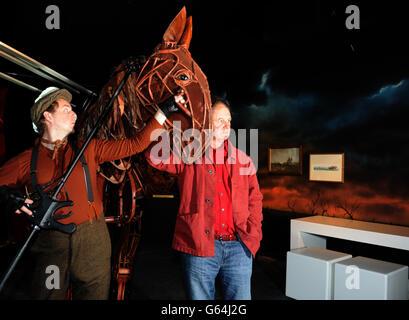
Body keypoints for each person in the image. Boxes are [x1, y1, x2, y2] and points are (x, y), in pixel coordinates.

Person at [0, 86, 179, 299]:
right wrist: (9, 196)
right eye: (66, 109)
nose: (74, 114)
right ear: (47, 116)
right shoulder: (25, 160)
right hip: (52, 249)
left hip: (92, 243)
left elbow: (136, 144)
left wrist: (164, 111)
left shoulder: (89, 148)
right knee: (49, 294)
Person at [145, 96, 263, 300]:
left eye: (229, 121)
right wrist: (169, 117)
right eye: (220, 120)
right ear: (207, 122)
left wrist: (253, 233)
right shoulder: (188, 153)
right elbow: (154, 157)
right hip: (199, 246)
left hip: (239, 247)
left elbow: (256, 199)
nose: (227, 125)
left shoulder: (243, 160)